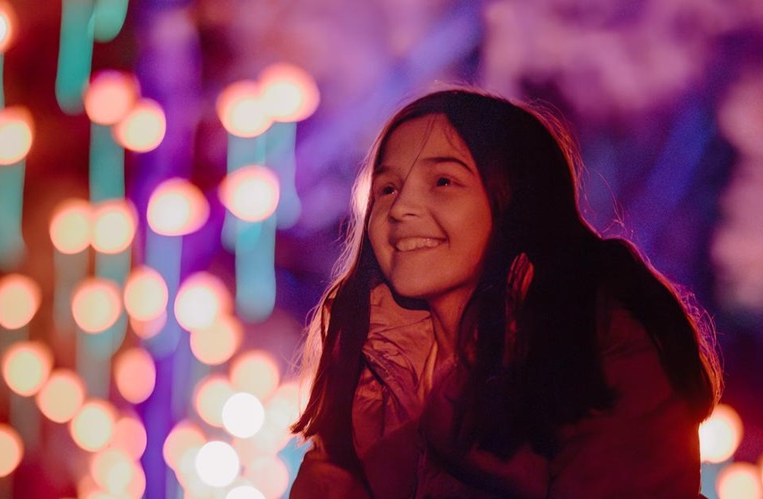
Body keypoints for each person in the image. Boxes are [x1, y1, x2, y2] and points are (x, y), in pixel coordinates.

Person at [288, 88, 723, 498]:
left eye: (443, 181)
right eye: (387, 188)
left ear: (514, 199)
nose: (401, 209)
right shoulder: (373, 366)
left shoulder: (596, 335)